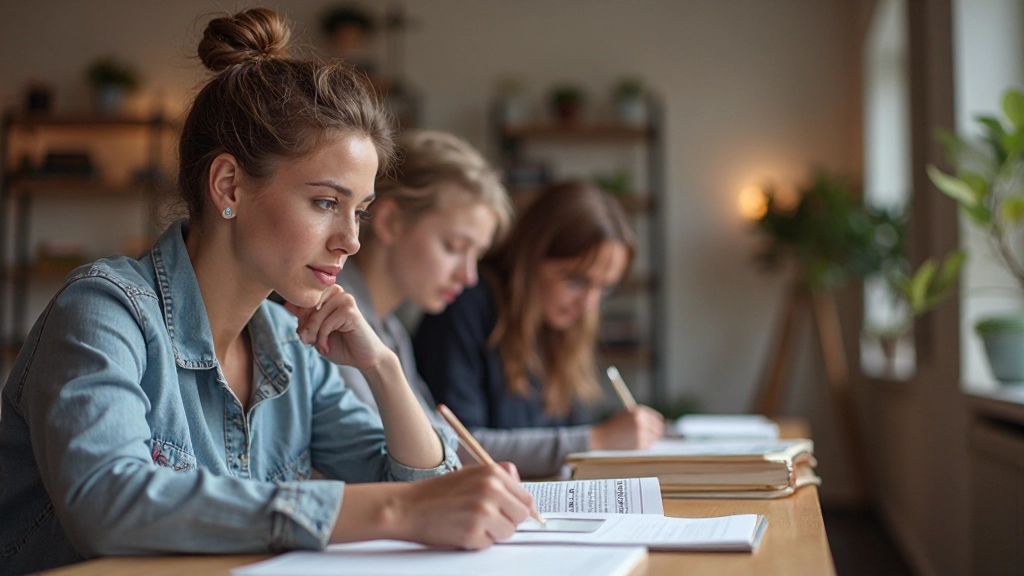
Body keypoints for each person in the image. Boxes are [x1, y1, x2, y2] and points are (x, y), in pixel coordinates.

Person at [0, 9, 533, 575]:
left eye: (361, 211)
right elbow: (107, 504)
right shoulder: (103, 311)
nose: (352, 240)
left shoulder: (289, 341)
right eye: (327, 203)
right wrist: (397, 510)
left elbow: (428, 485)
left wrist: (383, 366)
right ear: (229, 184)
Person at [415, 182, 666, 479]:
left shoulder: (559, 326)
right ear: (530, 258)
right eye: (575, 281)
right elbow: (456, 447)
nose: (588, 304)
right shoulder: (465, 305)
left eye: (604, 287)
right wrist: (596, 440)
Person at [334, 130, 512, 453]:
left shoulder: (391, 331)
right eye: (454, 247)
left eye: (477, 256)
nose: (469, 275)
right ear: (390, 222)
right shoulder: (334, 319)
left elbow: (441, 441)